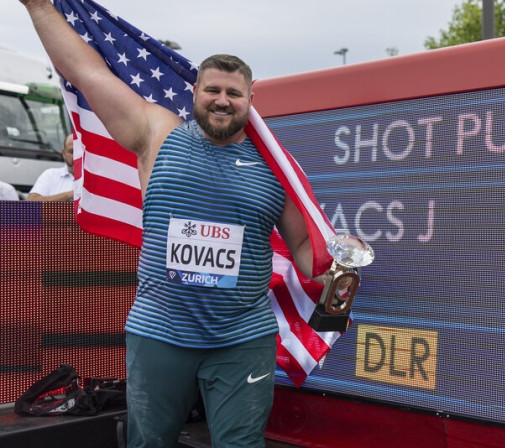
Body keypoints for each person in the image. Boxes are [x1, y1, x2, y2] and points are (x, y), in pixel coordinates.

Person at [20, 1, 326, 447]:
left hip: (242, 338)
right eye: (213, 90)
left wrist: (335, 269)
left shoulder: (275, 168)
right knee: (149, 443)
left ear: (250, 100)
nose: (223, 100)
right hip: (159, 332)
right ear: (195, 92)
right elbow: (88, 73)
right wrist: (39, 8)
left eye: (234, 93)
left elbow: (302, 246)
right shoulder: (156, 134)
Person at [27, 134, 74, 201]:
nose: (76, 156)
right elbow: (31, 202)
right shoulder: (51, 175)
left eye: (80, 152)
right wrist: (70, 194)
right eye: (71, 152)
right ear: (64, 153)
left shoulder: (94, 178)